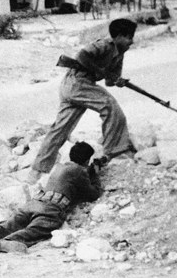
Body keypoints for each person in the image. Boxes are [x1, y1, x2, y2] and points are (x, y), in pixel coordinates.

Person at [27, 18, 137, 182]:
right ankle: (116, 151)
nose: (132, 41)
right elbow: (82, 56)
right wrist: (101, 70)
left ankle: (37, 171)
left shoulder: (119, 54)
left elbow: (109, 80)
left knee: (61, 128)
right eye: (129, 37)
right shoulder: (105, 45)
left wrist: (117, 81)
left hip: (78, 88)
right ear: (119, 36)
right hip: (77, 84)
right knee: (110, 106)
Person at [0, 142, 103, 253]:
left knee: (8, 226)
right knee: (34, 231)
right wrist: (95, 174)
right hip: (50, 209)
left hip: (34, 203)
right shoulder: (79, 170)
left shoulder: (60, 167)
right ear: (86, 161)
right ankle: (4, 244)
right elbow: (93, 194)